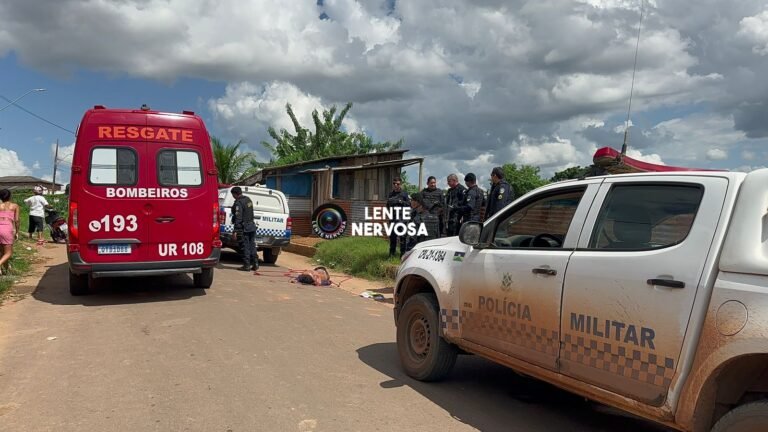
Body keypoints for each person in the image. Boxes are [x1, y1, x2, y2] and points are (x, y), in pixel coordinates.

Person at [230, 186, 258, 271]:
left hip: (244, 228)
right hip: (251, 226)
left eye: (233, 194)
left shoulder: (239, 203)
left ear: (235, 194)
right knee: (252, 246)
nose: (233, 196)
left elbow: (238, 217)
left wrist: (235, 231)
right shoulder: (248, 199)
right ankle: (255, 263)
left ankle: (246, 265)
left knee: (245, 246)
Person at [386, 177, 411, 258]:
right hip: (393, 219)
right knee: (392, 238)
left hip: (402, 219)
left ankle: (402, 255)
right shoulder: (391, 194)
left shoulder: (404, 194)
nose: (396, 185)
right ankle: (391, 254)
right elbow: (387, 206)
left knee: (402, 238)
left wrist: (400, 201)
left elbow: (409, 205)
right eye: (394, 183)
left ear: (401, 184)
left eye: (397, 184)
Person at [0, 189, 21, 275]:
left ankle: (6, 271)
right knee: (9, 253)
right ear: (10, 196)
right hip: (7, 228)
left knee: (3, 252)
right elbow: (17, 220)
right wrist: (17, 232)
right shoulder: (15, 206)